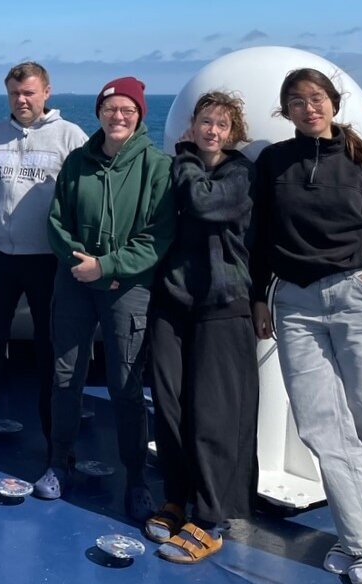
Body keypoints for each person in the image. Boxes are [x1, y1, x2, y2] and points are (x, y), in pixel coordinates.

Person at [250, 68, 362, 584]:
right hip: (296, 303)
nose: (309, 108)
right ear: (286, 111)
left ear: (334, 103)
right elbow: (258, 236)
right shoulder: (274, 162)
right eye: (297, 102)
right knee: (322, 427)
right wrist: (261, 298)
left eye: (316, 98)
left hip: (356, 297)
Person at [41, 77, 174, 524]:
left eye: (127, 111)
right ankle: (59, 462)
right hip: (75, 282)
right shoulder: (78, 161)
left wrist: (110, 267)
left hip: (127, 289)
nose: (118, 117)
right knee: (65, 376)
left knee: (126, 384)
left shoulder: (157, 167)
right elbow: (58, 220)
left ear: (139, 116)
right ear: (99, 112)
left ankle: (135, 478)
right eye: (111, 109)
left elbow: (158, 236)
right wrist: (82, 264)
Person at [144, 91, 258, 563]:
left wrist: (186, 158)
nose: (211, 131)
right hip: (173, 299)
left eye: (221, 125)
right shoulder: (175, 168)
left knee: (215, 413)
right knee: (169, 406)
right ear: (192, 124)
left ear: (234, 133)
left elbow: (206, 204)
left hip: (222, 302)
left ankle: (211, 517)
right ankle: (177, 496)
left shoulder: (239, 173)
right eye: (205, 122)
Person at [0, 62, 87, 462]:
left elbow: (84, 202)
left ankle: (56, 442)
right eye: (15, 93)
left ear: (47, 92)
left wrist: (70, 251)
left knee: (50, 350)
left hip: (48, 260)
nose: (22, 100)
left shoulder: (72, 138)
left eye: (29, 92)